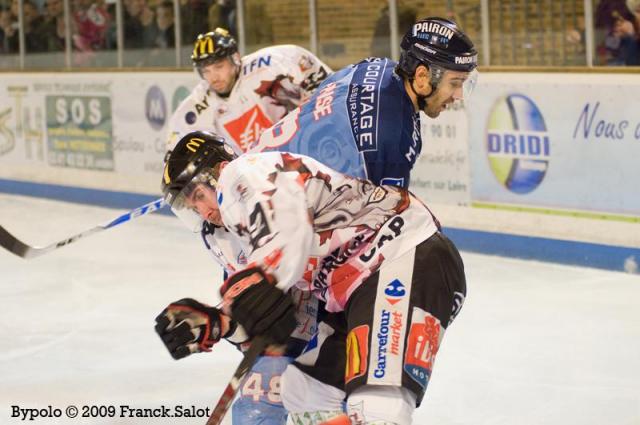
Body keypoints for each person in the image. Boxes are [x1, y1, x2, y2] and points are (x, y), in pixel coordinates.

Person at [157, 131, 467, 425]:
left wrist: (243, 299)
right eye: (190, 204)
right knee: (305, 392)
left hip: (401, 255)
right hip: (356, 291)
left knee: (378, 401)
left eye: (199, 195)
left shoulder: (244, 173)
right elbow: (269, 307)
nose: (201, 209)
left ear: (220, 170)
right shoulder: (229, 232)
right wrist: (217, 323)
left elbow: (286, 239)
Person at [250, 17, 478, 188]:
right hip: (264, 204)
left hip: (251, 171)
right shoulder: (393, 142)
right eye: (455, 83)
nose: (458, 95)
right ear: (421, 77)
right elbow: (381, 227)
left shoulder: (374, 66)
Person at [167, 27, 332, 154]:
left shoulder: (269, 63)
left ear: (236, 59)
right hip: (259, 174)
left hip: (308, 148)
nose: (213, 77)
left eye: (219, 66)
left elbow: (319, 76)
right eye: (206, 70)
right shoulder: (199, 103)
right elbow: (176, 145)